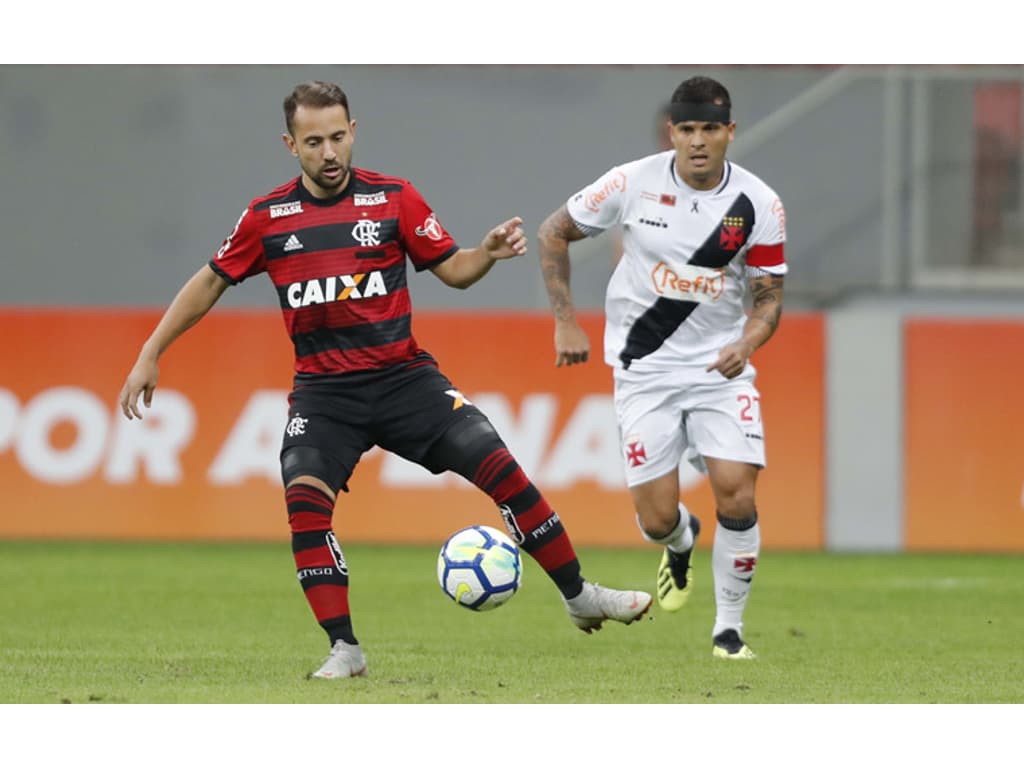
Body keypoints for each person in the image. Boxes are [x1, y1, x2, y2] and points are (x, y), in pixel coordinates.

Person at [118, 81, 652, 680]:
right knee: (304, 504)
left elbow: (453, 270)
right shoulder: (267, 218)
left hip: (406, 382)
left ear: (353, 132)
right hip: (324, 396)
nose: (329, 153)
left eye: (338, 137)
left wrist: (487, 251)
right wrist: (150, 352)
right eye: (313, 141)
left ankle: (579, 595)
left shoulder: (394, 199)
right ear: (290, 144)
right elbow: (212, 280)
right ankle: (345, 650)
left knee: (501, 468)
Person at [536, 76, 786, 660]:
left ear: (730, 132)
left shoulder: (759, 205)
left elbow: (770, 298)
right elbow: (553, 232)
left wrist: (747, 342)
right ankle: (680, 540)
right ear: (672, 132)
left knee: (737, 493)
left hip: (717, 370)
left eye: (709, 129)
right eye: (687, 129)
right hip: (642, 369)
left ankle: (728, 631)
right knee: (654, 519)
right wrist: (566, 319)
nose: (698, 141)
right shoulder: (631, 183)